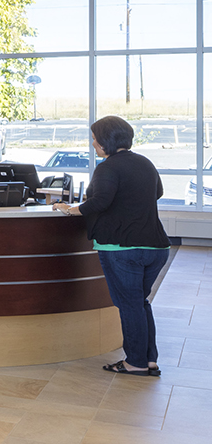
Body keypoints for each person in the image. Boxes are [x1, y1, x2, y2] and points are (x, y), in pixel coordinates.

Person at [55, 116, 171, 376]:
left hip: (122, 248)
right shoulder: (145, 162)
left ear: (106, 140)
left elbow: (100, 201)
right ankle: (148, 359)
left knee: (130, 305)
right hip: (157, 247)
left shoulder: (108, 167)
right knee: (140, 303)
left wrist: (70, 209)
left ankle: (136, 363)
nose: (93, 143)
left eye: (95, 138)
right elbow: (157, 193)